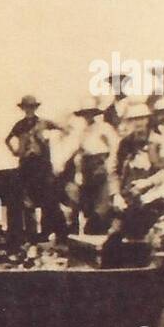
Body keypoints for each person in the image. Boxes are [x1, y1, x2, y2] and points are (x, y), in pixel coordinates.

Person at [5, 95, 66, 243]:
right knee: (27, 201)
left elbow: (63, 129)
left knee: (48, 199)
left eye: (32, 107)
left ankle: (47, 233)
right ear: (23, 109)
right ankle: (31, 235)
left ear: (35, 108)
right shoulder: (19, 125)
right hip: (26, 165)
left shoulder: (43, 123)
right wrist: (16, 151)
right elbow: (7, 140)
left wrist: (49, 141)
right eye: (27, 107)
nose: (29, 110)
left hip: (43, 165)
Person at [70, 98, 121, 234]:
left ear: (94, 113)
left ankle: (101, 229)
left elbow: (115, 144)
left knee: (102, 200)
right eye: (85, 114)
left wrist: (110, 160)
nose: (88, 116)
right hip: (87, 165)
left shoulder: (103, 127)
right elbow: (80, 153)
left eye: (90, 113)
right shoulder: (83, 132)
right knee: (87, 201)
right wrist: (78, 171)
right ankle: (91, 231)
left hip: (100, 163)